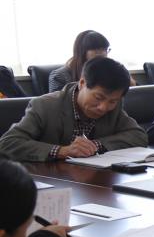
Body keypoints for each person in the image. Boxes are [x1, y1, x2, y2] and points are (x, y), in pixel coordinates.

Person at [0, 57, 146, 162]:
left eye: (112, 101)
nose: (103, 107)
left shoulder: (113, 108)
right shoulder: (44, 106)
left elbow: (139, 136)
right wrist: (61, 151)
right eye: (98, 97)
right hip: (52, 181)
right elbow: (8, 143)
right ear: (82, 83)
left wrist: (96, 145)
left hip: (95, 179)